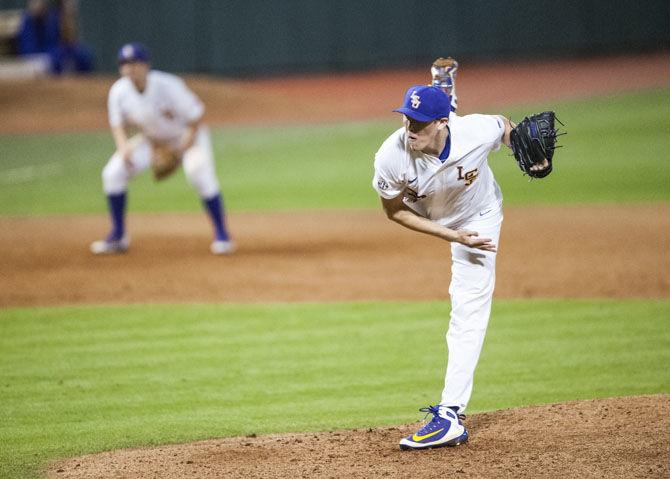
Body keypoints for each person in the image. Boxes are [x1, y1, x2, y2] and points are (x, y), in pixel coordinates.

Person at [372, 66, 548, 450]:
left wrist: (526, 150)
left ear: (440, 122)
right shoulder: (391, 156)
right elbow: (395, 212)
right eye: (406, 118)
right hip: (433, 216)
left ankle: (450, 415)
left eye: (419, 121)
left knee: (467, 308)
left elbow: (503, 124)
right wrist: (451, 235)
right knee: (461, 295)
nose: (409, 128)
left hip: (479, 215)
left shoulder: (473, 130)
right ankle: (442, 91)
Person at [90, 42, 234, 255]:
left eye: (135, 63)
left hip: (186, 138)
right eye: (125, 64)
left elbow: (196, 119)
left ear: (146, 65)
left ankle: (223, 235)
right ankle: (118, 236)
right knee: (113, 173)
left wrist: (178, 152)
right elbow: (117, 123)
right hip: (152, 142)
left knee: (198, 172)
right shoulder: (119, 91)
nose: (130, 68)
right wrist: (123, 148)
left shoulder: (168, 85)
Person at [15, 0, 92, 74]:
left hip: (54, 55)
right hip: (37, 59)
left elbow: (67, 43)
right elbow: (28, 52)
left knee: (84, 56)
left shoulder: (53, 18)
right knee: (52, 62)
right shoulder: (27, 22)